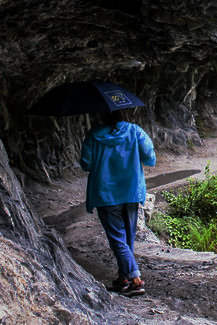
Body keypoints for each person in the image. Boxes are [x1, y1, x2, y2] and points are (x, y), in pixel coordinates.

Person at [80, 110, 156, 297]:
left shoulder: (94, 134)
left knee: (117, 238)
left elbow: (86, 164)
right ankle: (124, 278)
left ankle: (135, 279)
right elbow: (150, 158)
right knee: (127, 238)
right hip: (131, 190)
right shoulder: (135, 131)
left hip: (106, 193)